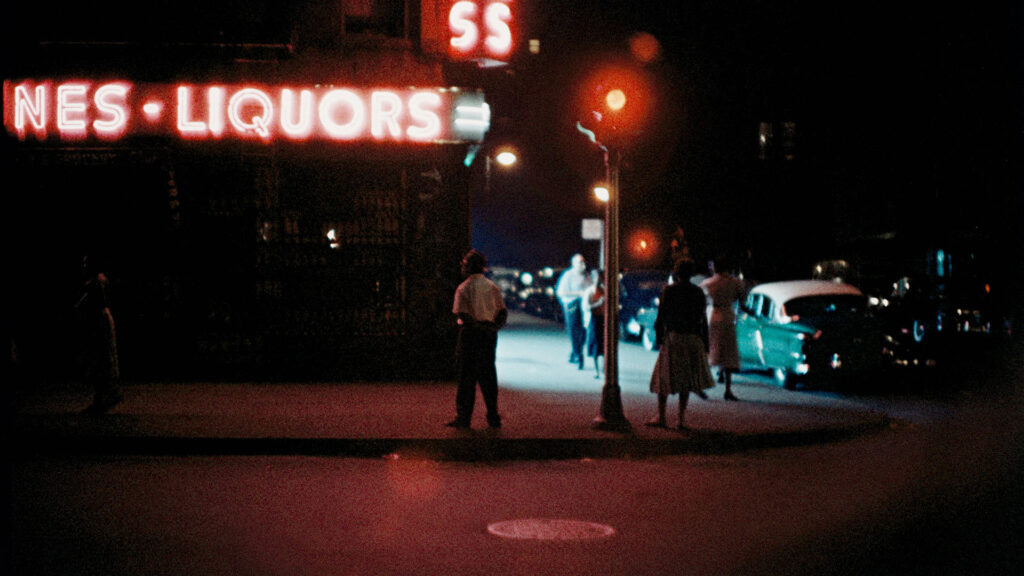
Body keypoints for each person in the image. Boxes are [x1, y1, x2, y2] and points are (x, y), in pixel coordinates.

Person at [646, 259, 715, 430]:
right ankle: (681, 419)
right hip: (692, 338)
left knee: (664, 378)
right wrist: (705, 343)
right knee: (686, 381)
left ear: (676, 273)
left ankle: (661, 416)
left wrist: (659, 338)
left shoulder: (669, 291)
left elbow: (661, 317)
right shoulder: (698, 292)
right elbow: (702, 319)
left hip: (674, 337)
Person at [447, 249, 508, 429]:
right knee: (488, 376)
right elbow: (502, 312)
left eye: (464, 264)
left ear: (469, 266)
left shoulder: (463, 288)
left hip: (470, 335)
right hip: (489, 335)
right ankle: (493, 416)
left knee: (467, 378)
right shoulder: (492, 287)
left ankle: (464, 418)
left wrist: (475, 327)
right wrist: (492, 328)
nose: (462, 267)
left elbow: (462, 313)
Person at [76, 255, 122, 414]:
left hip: (99, 322)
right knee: (101, 360)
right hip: (100, 320)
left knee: (100, 359)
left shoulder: (96, 282)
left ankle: (104, 397)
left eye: (86, 263)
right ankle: (104, 396)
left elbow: (91, 303)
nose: (84, 266)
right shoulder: (98, 281)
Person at [700, 256, 746, 401]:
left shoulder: (708, 283)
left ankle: (701, 386)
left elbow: (701, 301)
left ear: (715, 267)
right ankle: (727, 389)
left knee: (711, 350)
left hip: (713, 315)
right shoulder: (736, 283)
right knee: (729, 354)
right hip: (728, 317)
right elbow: (742, 303)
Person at [555, 254, 591, 369]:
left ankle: (575, 352)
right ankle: (578, 355)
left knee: (585, 331)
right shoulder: (568, 275)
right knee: (574, 331)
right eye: (580, 262)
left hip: (584, 305)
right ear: (574, 264)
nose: (583, 265)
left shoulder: (586, 275)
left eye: (583, 262)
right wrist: (578, 294)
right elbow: (561, 292)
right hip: (572, 305)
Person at [583, 269, 606, 379]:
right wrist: (598, 303)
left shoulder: (604, 290)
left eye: (600, 277)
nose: (598, 280)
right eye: (596, 278)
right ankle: (596, 370)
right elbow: (586, 307)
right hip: (594, 319)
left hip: (603, 319)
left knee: (604, 345)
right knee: (595, 346)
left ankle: (603, 368)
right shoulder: (590, 291)